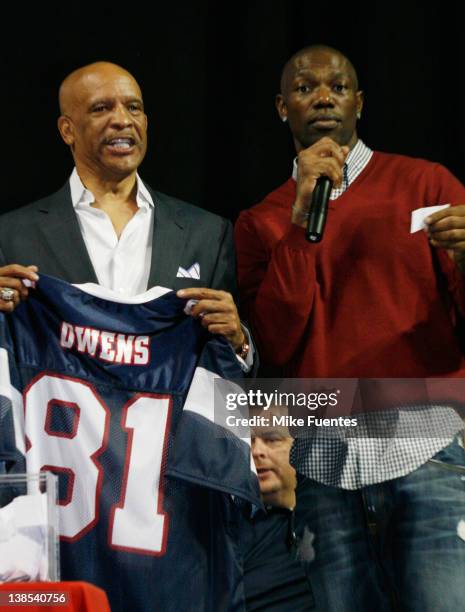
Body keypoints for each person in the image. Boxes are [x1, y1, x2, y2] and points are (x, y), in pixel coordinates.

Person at [235, 45, 465, 610]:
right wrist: (297, 230)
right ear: (281, 108)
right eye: (305, 88)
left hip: (429, 449)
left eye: (337, 87)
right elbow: (274, 346)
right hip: (322, 470)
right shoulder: (261, 220)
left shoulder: (427, 185)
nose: (322, 97)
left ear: (358, 103)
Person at [0, 61, 250, 365]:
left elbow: (226, 372)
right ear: (68, 130)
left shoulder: (208, 233)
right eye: (101, 108)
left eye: (133, 108)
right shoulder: (11, 236)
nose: (122, 120)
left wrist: (239, 343)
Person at [242, 404, 314, 611]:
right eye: (249, 441)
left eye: (272, 439)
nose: (256, 452)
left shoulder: (337, 527)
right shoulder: (229, 535)